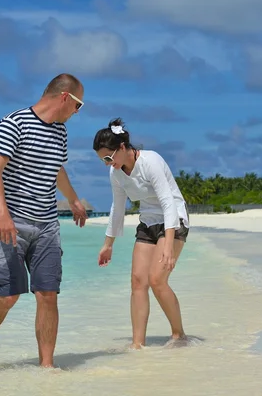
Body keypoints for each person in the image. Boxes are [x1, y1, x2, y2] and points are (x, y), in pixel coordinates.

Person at [0, 73, 88, 372]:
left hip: (47, 222)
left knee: (48, 293)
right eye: (78, 105)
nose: (77, 113)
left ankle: (46, 366)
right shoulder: (14, 122)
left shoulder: (60, 132)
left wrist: (73, 199)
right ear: (65, 97)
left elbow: (56, 169)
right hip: (10, 219)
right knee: (8, 294)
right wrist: (2, 213)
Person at [93, 118, 190, 350]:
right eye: (103, 160)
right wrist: (108, 244)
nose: (108, 163)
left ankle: (179, 335)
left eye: (109, 157)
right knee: (138, 281)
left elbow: (168, 202)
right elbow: (118, 208)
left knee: (157, 279)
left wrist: (168, 245)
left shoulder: (151, 161)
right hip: (148, 222)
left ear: (123, 148)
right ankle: (137, 344)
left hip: (173, 219)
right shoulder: (116, 173)